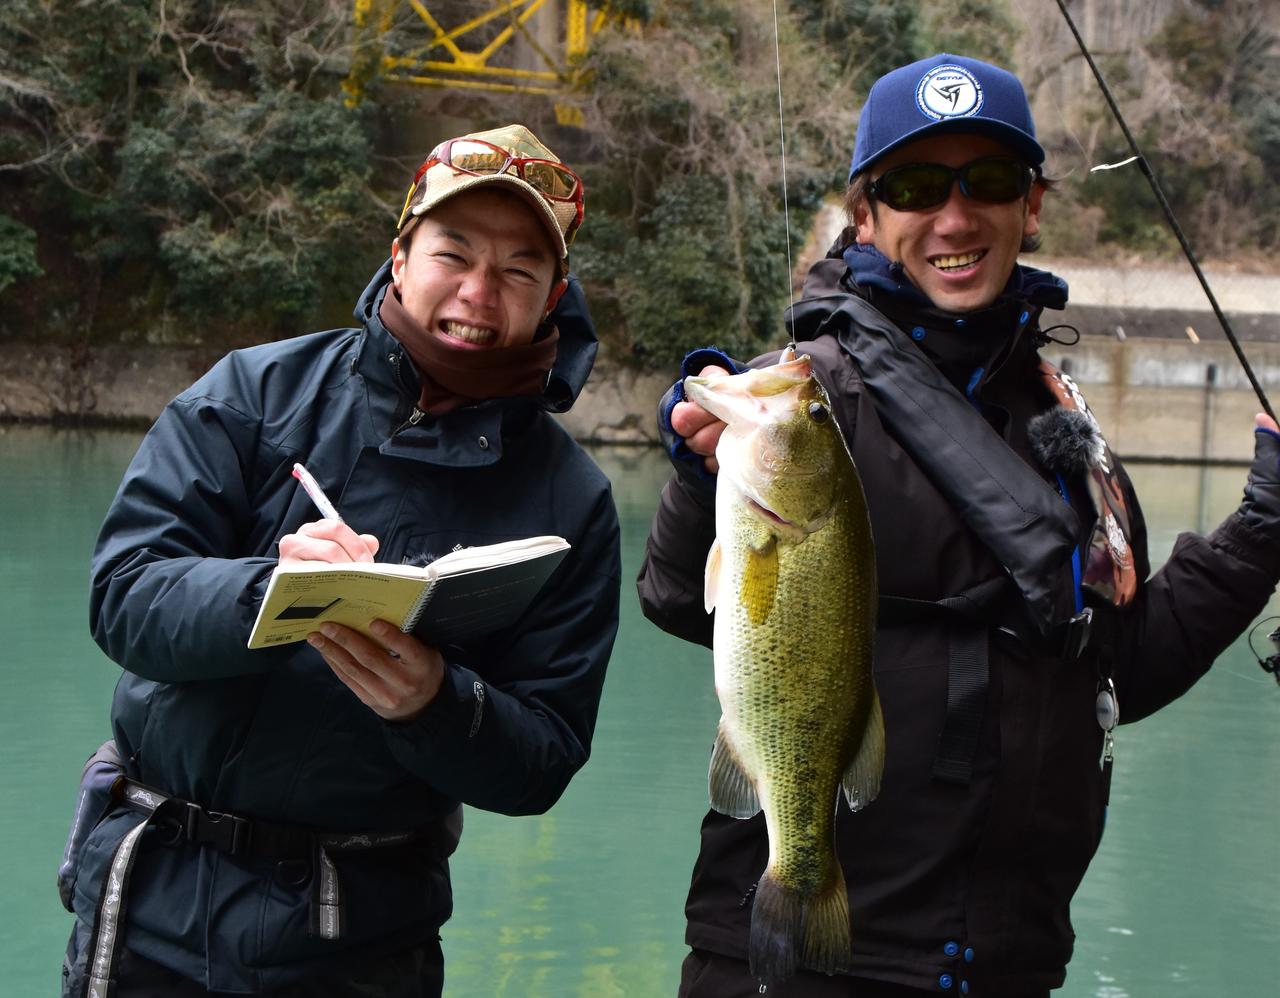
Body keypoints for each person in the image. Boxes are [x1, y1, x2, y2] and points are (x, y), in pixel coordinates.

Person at [637, 53, 1280, 997]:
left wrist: (1265, 524)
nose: (954, 215)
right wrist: (700, 472)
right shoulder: (811, 398)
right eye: (914, 185)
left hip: (1006, 966)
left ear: (1033, 207)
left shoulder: (1064, 426)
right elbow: (677, 597)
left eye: (988, 182)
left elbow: (1123, 668)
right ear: (866, 214)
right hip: (801, 966)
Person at [59, 124, 621, 997]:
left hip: (360, 936)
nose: (479, 291)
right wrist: (272, 593)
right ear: (399, 256)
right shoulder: (253, 392)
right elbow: (123, 596)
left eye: (519, 271)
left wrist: (436, 704)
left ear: (551, 299)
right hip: (148, 906)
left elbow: (543, 760)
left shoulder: (571, 498)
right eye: (454, 253)